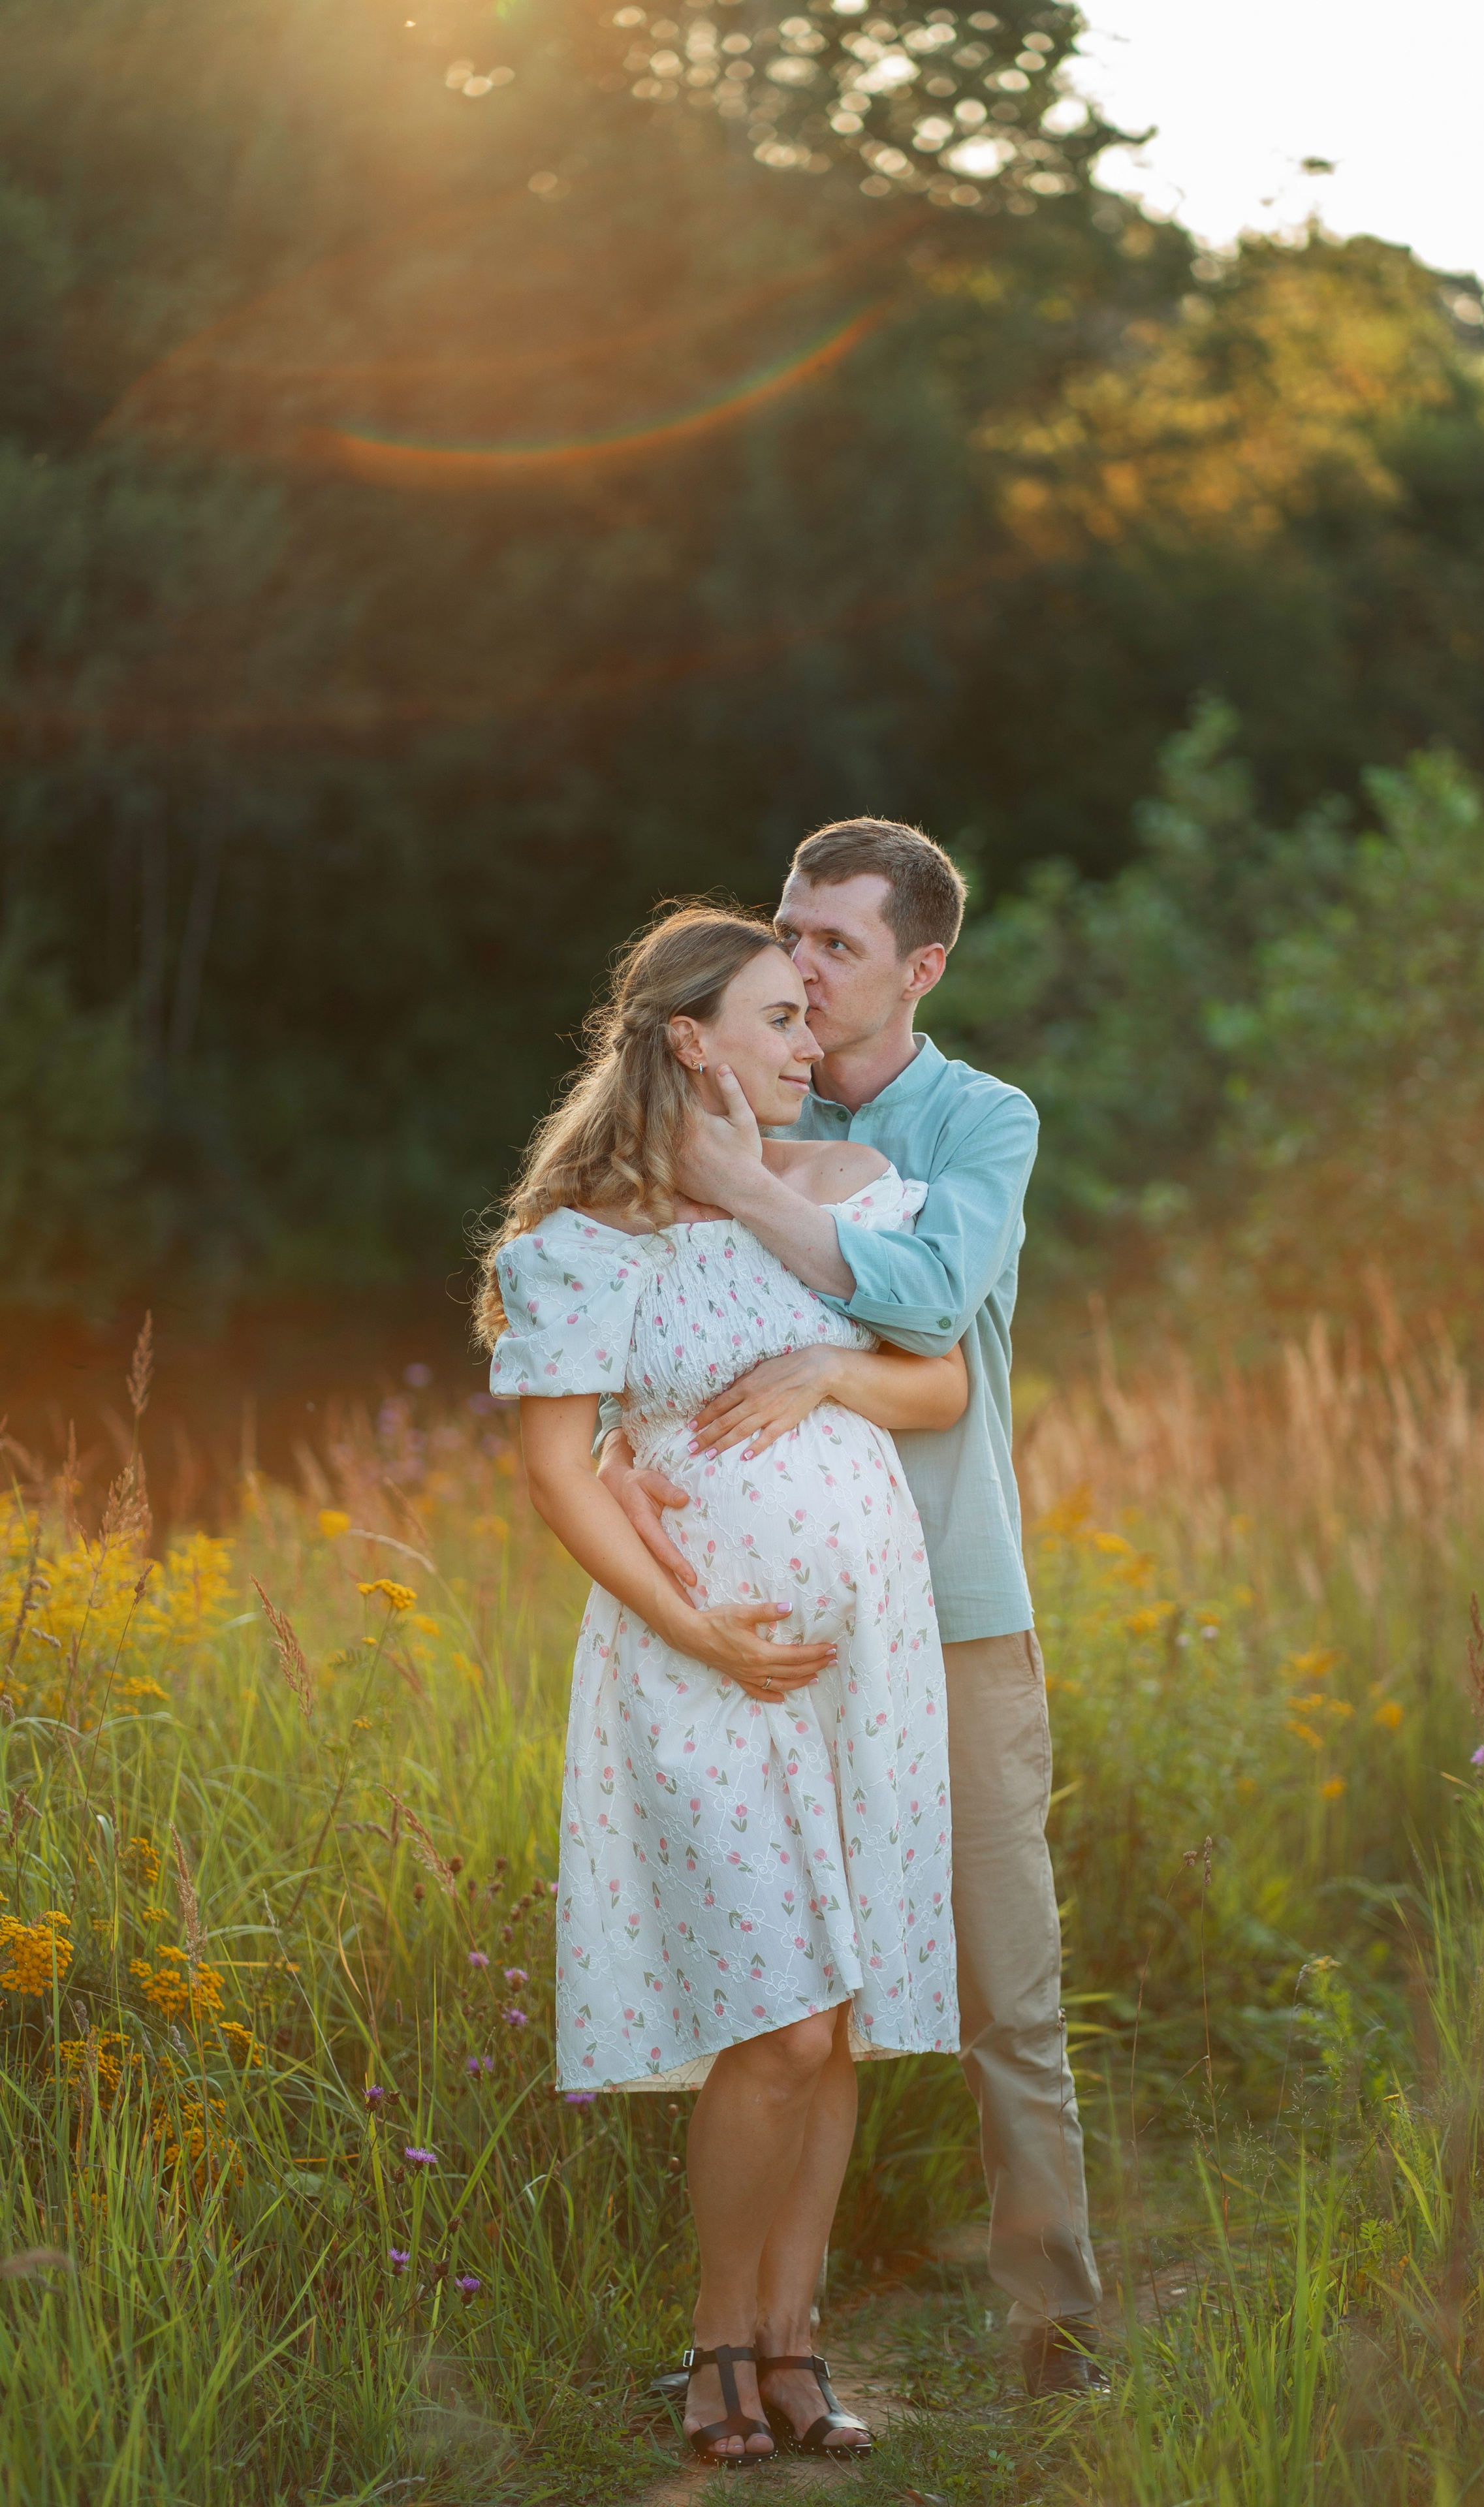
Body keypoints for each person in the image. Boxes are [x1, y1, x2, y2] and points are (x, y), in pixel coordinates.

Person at [597, 819, 1107, 2397]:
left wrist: (811, 1321)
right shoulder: (737, 1088)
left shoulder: (980, 1121)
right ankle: (764, 2325)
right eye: (788, 936)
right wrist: (619, 1442)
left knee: (1000, 1987)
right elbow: (634, 1309)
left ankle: (1051, 2319)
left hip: (949, 1610)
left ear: (919, 968)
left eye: (835, 946)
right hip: (761, 1634)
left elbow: (925, 1303)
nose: (800, 970)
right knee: (797, 1980)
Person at [477, 904, 966, 2464]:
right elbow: (560, 1474)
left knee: (835, 2022)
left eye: (807, 1017)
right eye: (773, 1018)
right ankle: (714, 2344)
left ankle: (796, 2343)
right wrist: (701, 1632)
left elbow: (940, 1375)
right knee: (778, 2019)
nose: (804, 1043)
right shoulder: (582, 1240)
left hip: (860, 1664)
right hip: (703, 1664)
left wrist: (830, 1368)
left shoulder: (841, 1190)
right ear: (688, 1038)